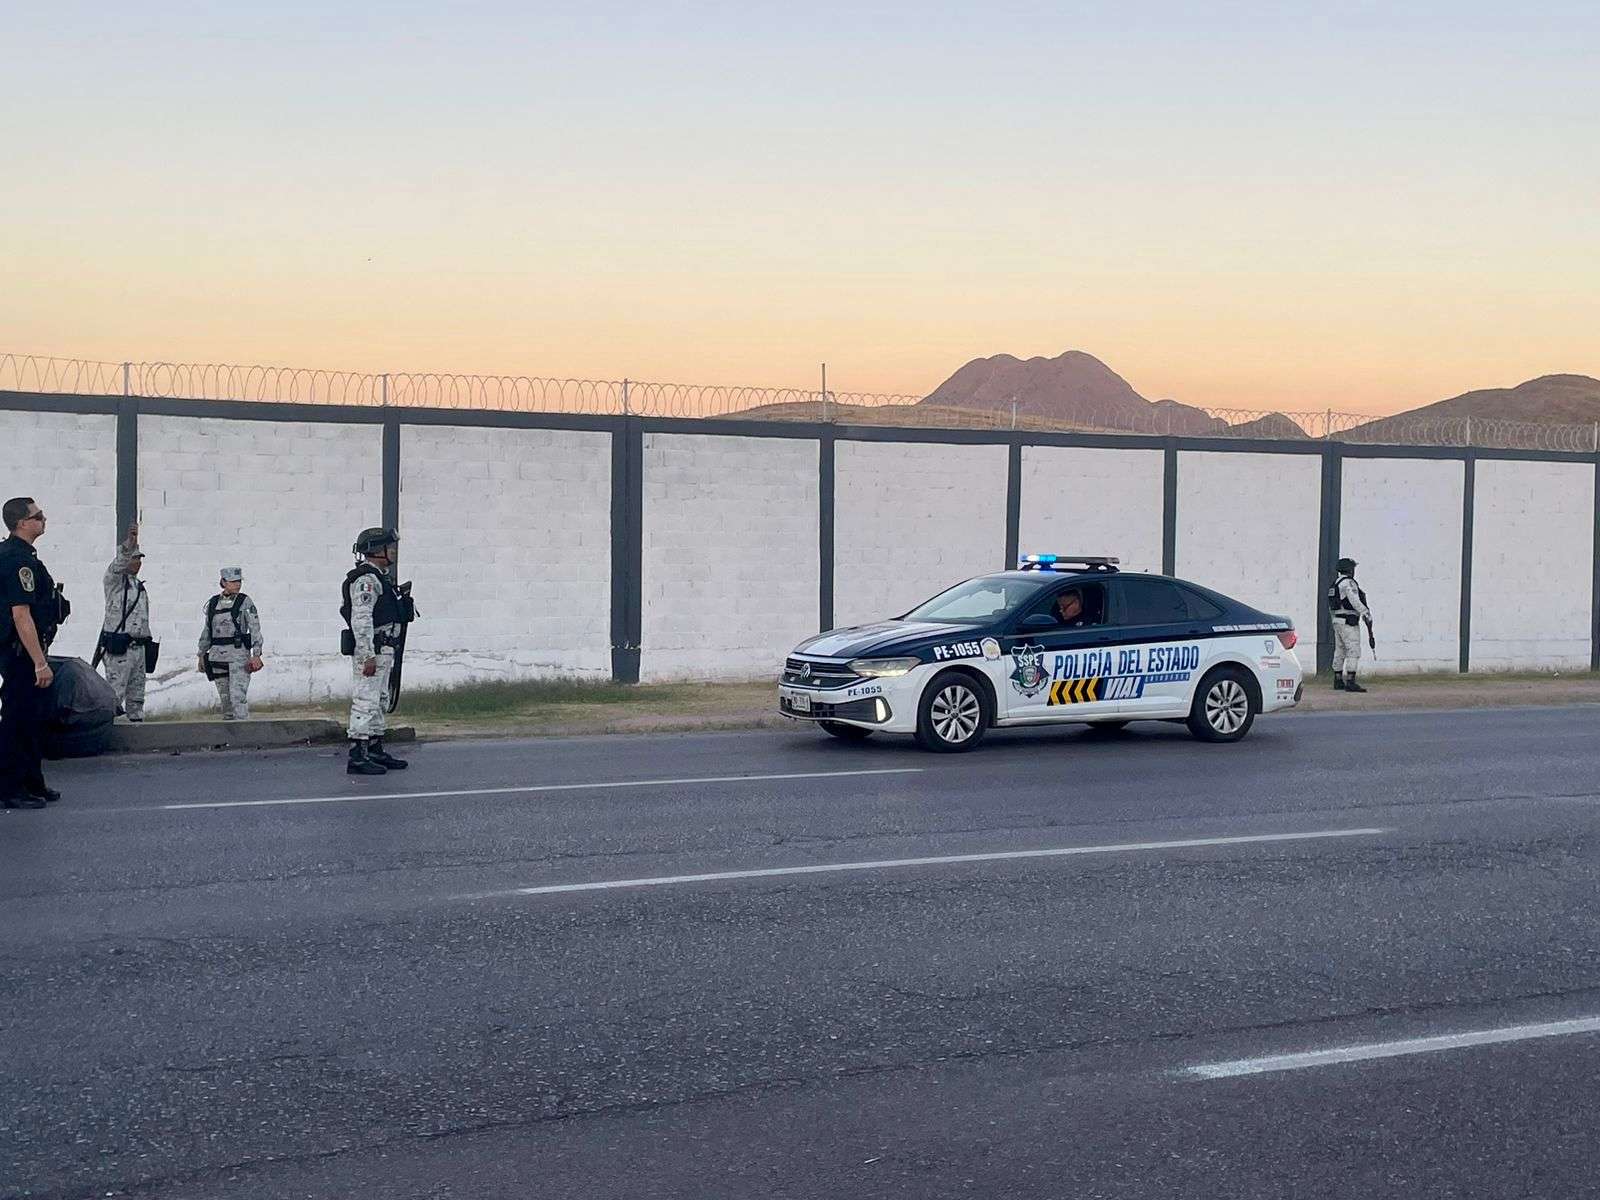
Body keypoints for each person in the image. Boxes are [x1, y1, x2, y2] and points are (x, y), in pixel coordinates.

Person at [0, 497, 69, 809]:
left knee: (30, 718)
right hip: (21, 653)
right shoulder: (18, 560)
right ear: (22, 523)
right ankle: (10, 789)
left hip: (22, 649)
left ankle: (31, 781)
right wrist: (39, 662)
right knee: (17, 719)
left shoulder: (21, 555)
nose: (44, 519)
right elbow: (21, 614)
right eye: (38, 516)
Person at [342, 527, 411, 775]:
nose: (392, 551)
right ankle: (357, 754)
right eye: (388, 547)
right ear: (375, 550)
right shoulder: (366, 581)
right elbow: (361, 620)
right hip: (372, 650)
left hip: (384, 649)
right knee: (366, 701)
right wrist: (367, 655)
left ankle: (374, 747)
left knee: (380, 699)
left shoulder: (380, 578)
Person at [99, 522, 152, 722]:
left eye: (139, 559)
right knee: (115, 695)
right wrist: (129, 544)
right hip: (120, 649)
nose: (137, 563)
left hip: (138, 649)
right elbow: (117, 566)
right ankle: (109, 730)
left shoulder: (139, 586)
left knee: (137, 698)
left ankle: (136, 730)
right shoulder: (114, 582)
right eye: (134, 558)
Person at [197, 568, 264, 719]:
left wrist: (256, 654)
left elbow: (255, 628)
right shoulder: (213, 602)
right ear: (223, 582)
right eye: (233, 581)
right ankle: (228, 731)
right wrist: (201, 654)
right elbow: (207, 630)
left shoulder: (244, 602)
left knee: (237, 698)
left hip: (238, 657)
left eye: (239, 581)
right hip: (217, 657)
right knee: (225, 701)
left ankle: (241, 730)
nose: (237, 584)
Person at [1327, 556, 1371, 693]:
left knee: (1340, 650)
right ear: (1349, 569)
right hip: (1348, 621)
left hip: (1337, 620)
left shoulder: (1335, 583)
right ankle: (1351, 681)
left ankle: (1338, 679)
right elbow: (1354, 600)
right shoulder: (1348, 583)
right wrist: (1365, 612)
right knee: (1353, 650)